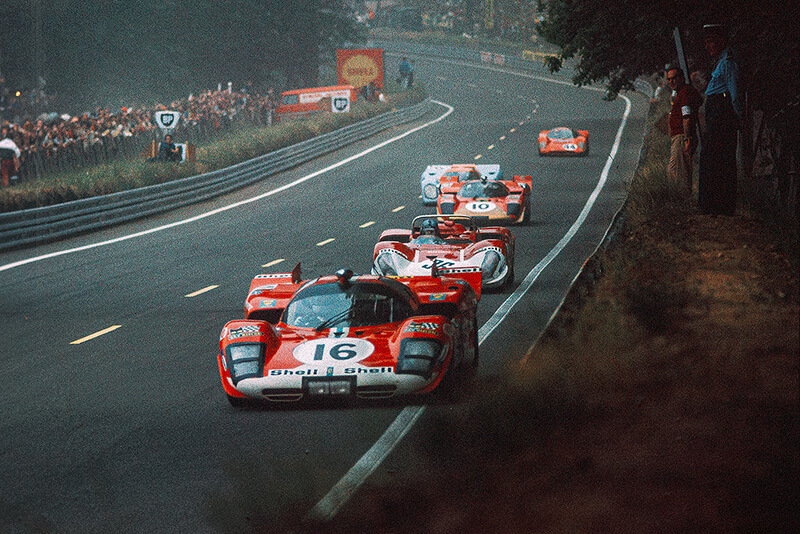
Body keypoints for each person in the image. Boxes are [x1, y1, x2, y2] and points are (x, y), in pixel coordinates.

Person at [698, 23, 742, 216]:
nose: (707, 47)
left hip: (722, 116)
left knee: (717, 159)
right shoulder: (721, 62)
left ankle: (719, 206)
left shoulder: (728, 63)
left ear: (720, 42)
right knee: (712, 159)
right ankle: (712, 205)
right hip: (717, 114)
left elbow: (735, 95)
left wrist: (739, 117)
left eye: (710, 42)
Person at [666, 65, 702, 193]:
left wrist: (687, 139)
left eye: (674, 78)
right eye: (669, 79)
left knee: (677, 171)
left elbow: (686, 117)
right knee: (678, 169)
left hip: (682, 136)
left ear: (681, 78)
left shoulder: (685, 93)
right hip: (680, 136)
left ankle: (682, 199)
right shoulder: (684, 92)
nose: (671, 82)